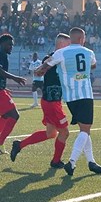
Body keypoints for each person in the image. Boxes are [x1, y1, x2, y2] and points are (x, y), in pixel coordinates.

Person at [36, 27, 101, 176]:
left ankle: (91, 162)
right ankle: (72, 162)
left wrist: (39, 70)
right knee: (85, 131)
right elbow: (93, 65)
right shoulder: (89, 52)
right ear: (82, 39)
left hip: (69, 97)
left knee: (84, 130)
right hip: (85, 95)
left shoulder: (61, 53)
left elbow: (44, 67)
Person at [10, 34, 71, 168]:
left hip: (52, 101)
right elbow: (38, 73)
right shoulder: (51, 58)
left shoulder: (64, 58)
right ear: (61, 45)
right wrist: (46, 65)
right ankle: (55, 161)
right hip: (51, 102)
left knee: (51, 133)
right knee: (64, 132)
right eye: (68, 44)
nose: (70, 47)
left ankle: (19, 145)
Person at [0, 34, 26, 154]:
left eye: (12, 45)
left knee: (6, 116)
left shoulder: (4, 55)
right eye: (9, 44)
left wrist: (5, 88)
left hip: (1, 90)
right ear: (2, 44)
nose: (11, 47)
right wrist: (15, 78)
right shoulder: (0, 54)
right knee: (14, 115)